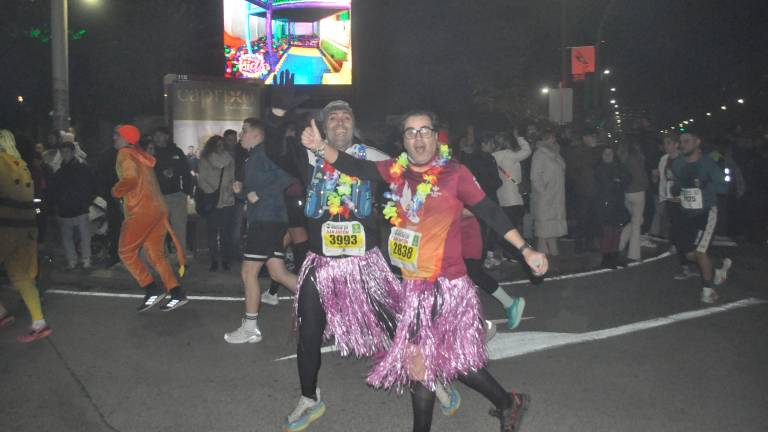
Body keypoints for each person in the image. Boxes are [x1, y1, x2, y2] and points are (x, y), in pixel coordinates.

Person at [302, 110, 549, 432]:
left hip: (446, 286)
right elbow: (355, 166)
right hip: (414, 285)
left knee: (428, 363)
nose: (418, 138)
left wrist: (526, 249)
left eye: (424, 131)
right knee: (431, 364)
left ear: (435, 137)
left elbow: (489, 210)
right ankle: (507, 402)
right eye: (411, 132)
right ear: (403, 141)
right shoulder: (397, 170)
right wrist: (320, 147)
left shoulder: (455, 173)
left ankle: (505, 403)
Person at [284, 100, 402, 432]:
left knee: (394, 326)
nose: (339, 122)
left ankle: (429, 378)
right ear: (323, 126)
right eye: (332, 117)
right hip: (321, 262)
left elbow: (405, 183)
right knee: (308, 333)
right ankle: (309, 398)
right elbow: (276, 150)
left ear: (354, 123)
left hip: (365, 263)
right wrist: (278, 113)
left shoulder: (374, 156)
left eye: (345, 117)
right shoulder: (308, 155)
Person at [223, 117, 298, 344]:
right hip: (268, 219)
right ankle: (326, 303)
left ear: (256, 134)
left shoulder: (265, 152)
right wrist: (241, 191)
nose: (240, 135)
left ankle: (250, 328)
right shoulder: (252, 156)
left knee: (248, 273)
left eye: (244, 131)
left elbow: (288, 176)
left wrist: (260, 194)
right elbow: (251, 193)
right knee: (278, 273)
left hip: (267, 220)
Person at [111, 125, 189, 312]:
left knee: (126, 252)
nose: (114, 138)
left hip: (141, 210)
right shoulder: (141, 155)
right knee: (156, 254)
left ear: (126, 138)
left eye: (116, 135)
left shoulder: (125, 154)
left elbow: (130, 179)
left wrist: (116, 191)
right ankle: (176, 292)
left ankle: (151, 289)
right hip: (158, 208)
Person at [0, 130, 53, 342]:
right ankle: (39, 323)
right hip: (27, 229)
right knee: (22, 277)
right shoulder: (21, 165)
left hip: (5, 229)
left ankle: (2, 314)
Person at [670, 130, 730, 303]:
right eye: (681, 142)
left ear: (697, 142)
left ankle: (708, 290)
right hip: (687, 213)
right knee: (690, 255)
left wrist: (705, 185)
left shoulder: (709, 164)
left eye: (687, 141)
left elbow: (724, 187)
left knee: (700, 252)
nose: (683, 145)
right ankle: (718, 264)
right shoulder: (678, 164)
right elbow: (677, 185)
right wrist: (675, 190)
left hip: (706, 212)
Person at [49, 141, 97, 269]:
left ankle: (83, 259)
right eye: (63, 152)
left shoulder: (80, 169)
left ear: (73, 152)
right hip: (68, 208)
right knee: (72, 236)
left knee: (81, 235)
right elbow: (54, 190)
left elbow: (91, 185)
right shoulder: (62, 172)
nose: (65, 154)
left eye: (67, 152)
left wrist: (86, 200)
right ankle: (75, 259)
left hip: (77, 207)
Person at [152, 127, 193, 255]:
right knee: (159, 230)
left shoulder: (176, 151)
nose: (157, 138)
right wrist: (161, 173)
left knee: (179, 228)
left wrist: (186, 191)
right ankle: (161, 258)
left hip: (176, 195)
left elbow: (186, 171)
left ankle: (181, 259)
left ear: (167, 136)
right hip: (157, 196)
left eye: (160, 135)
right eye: (155, 135)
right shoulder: (151, 151)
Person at [197, 135, 236, 271]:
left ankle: (225, 259)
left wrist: (229, 190)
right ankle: (214, 259)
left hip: (226, 199)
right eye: (218, 144)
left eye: (222, 144)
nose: (220, 147)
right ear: (212, 146)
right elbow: (202, 179)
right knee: (212, 231)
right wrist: (213, 192)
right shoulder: (205, 159)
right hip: (212, 199)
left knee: (225, 232)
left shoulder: (229, 159)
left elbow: (233, 177)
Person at [492, 129, 532, 259]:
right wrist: (519, 137)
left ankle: (506, 252)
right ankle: (511, 252)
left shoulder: (493, 156)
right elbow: (527, 151)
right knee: (513, 227)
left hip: (501, 194)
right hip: (513, 196)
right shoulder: (509, 155)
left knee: (506, 225)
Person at [530, 127, 567, 256]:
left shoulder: (555, 153)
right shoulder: (540, 154)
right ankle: (542, 246)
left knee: (554, 220)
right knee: (544, 221)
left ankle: (552, 245)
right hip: (545, 195)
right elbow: (535, 175)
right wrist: (543, 190)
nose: (554, 139)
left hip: (557, 193)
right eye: (551, 137)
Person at [565, 128, 601, 252]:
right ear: (585, 138)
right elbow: (573, 170)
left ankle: (589, 242)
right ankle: (580, 244)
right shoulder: (578, 151)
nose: (594, 139)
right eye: (592, 136)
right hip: (583, 190)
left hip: (593, 189)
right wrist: (580, 182)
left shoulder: (594, 150)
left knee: (591, 217)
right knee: (582, 218)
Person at [594, 146, 631, 269]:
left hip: (618, 202)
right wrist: (618, 181)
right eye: (605, 153)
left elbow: (627, 178)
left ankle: (614, 257)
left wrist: (618, 181)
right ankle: (606, 259)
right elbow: (607, 184)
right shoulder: (600, 168)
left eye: (610, 153)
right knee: (607, 232)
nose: (608, 155)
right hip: (605, 203)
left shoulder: (619, 166)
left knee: (617, 231)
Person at [617, 135, 648, 261]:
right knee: (636, 223)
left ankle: (619, 243)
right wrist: (646, 185)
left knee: (638, 219)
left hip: (627, 193)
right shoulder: (636, 157)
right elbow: (640, 177)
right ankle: (634, 254)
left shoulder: (621, 157)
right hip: (638, 192)